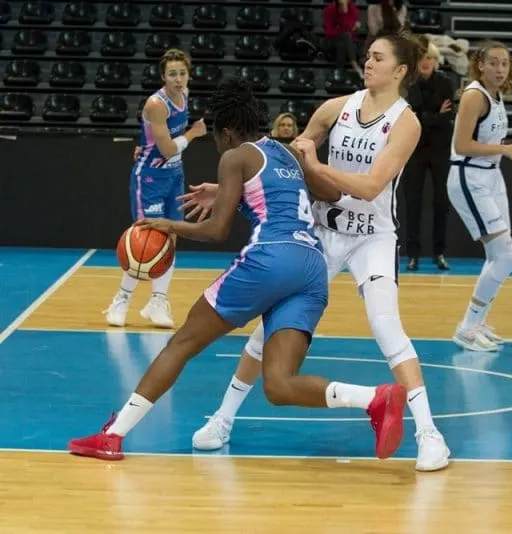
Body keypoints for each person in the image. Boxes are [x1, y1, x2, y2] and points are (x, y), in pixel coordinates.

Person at [68, 77, 407, 461]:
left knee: (182, 343)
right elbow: (331, 193)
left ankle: (113, 435)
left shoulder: (235, 157)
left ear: (227, 132)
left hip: (271, 257)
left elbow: (217, 230)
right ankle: (374, 398)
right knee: (279, 385)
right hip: (312, 266)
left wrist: (169, 226)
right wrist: (301, 167)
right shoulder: (287, 152)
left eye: (216, 135)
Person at [180, 32, 451, 472]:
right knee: (266, 330)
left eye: (378, 58)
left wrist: (318, 166)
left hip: (372, 236)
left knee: (386, 326)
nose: (368, 62)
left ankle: (429, 435)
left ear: (400, 71)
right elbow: (284, 163)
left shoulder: (406, 123)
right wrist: (229, 188)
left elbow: (371, 186)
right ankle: (223, 419)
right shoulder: (336, 108)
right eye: (367, 55)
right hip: (321, 233)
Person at [105, 49, 207, 329]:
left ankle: (158, 301)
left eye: (182, 73)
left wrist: (146, 144)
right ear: (163, 76)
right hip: (150, 178)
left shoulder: (184, 95)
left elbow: (162, 140)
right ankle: (122, 299)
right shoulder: (156, 104)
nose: (178, 79)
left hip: (174, 176)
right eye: (172, 74)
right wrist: (194, 133)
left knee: (171, 237)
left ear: (189, 75)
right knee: (146, 239)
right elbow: (168, 149)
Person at [447, 41, 512, 352]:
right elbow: (462, 145)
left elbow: (491, 141)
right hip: (470, 176)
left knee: (497, 257)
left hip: (491, 175)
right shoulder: (474, 96)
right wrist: (505, 149)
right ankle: (467, 327)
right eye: (493, 62)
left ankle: (477, 322)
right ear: (480, 65)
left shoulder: (496, 96)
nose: (499, 69)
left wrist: (511, 151)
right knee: (506, 256)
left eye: (504, 63)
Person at [404, 38, 455, 271]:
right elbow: (410, 118)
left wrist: (425, 117)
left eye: (431, 58)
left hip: (440, 149)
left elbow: (447, 117)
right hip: (414, 149)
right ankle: (413, 254)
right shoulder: (409, 84)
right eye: (423, 58)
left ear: (436, 61)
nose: (427, 62)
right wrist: (434, 116)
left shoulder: (446, 83)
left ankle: (439, 252)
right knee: (412, 202)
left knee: (441, 202)